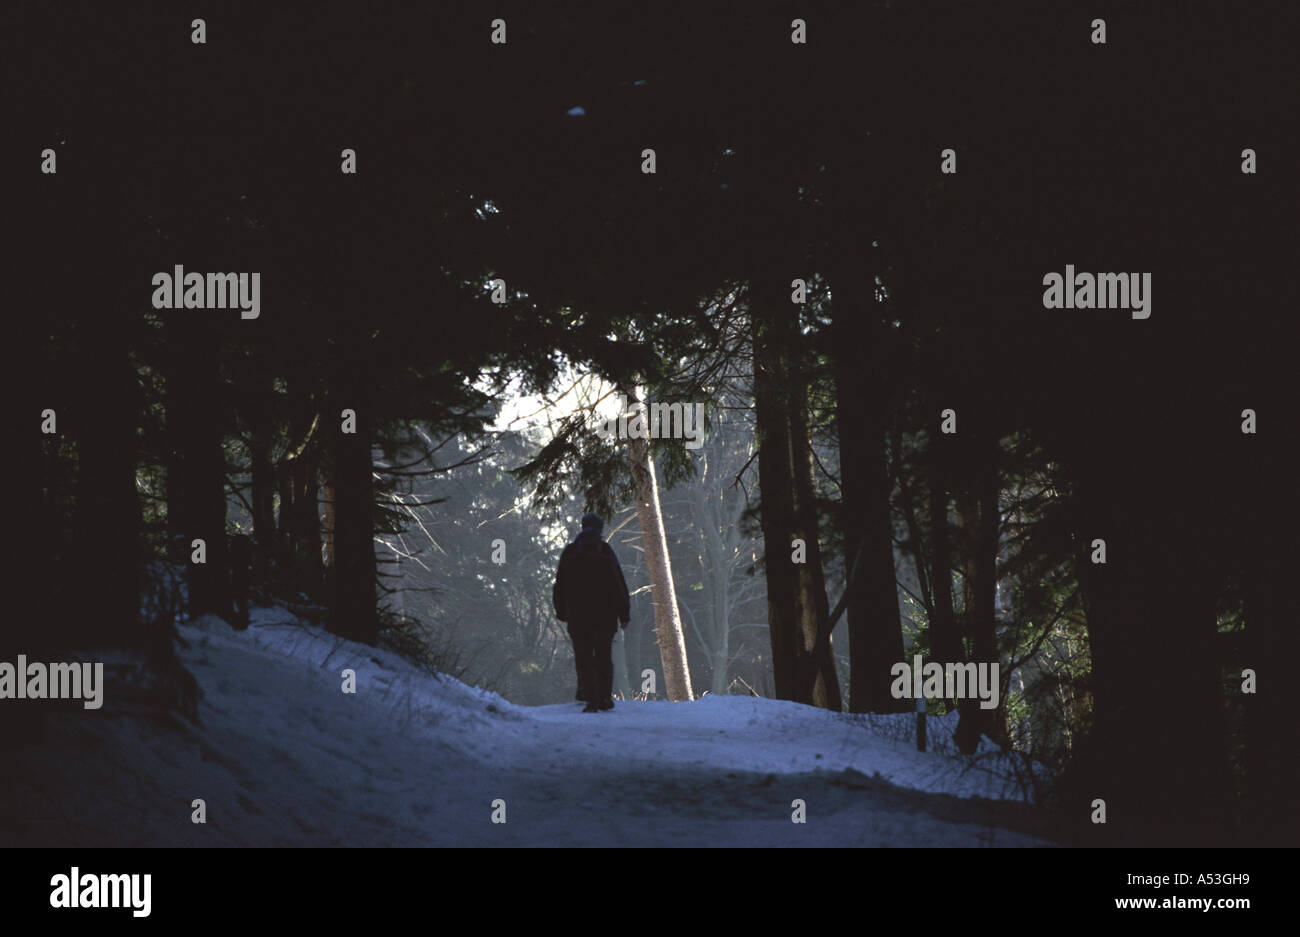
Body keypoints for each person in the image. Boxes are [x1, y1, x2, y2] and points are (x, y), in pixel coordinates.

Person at [552, 514, 630, 712]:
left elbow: (559, 585)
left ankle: (590, 699)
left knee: (583, 657)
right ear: (601, 529)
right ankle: (604, 698)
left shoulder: (570, 552)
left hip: (578, 616)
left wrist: (561, 611)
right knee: (603, 656)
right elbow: (618, 584)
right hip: (605, 616)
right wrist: (624, 614)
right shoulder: (605, 551)